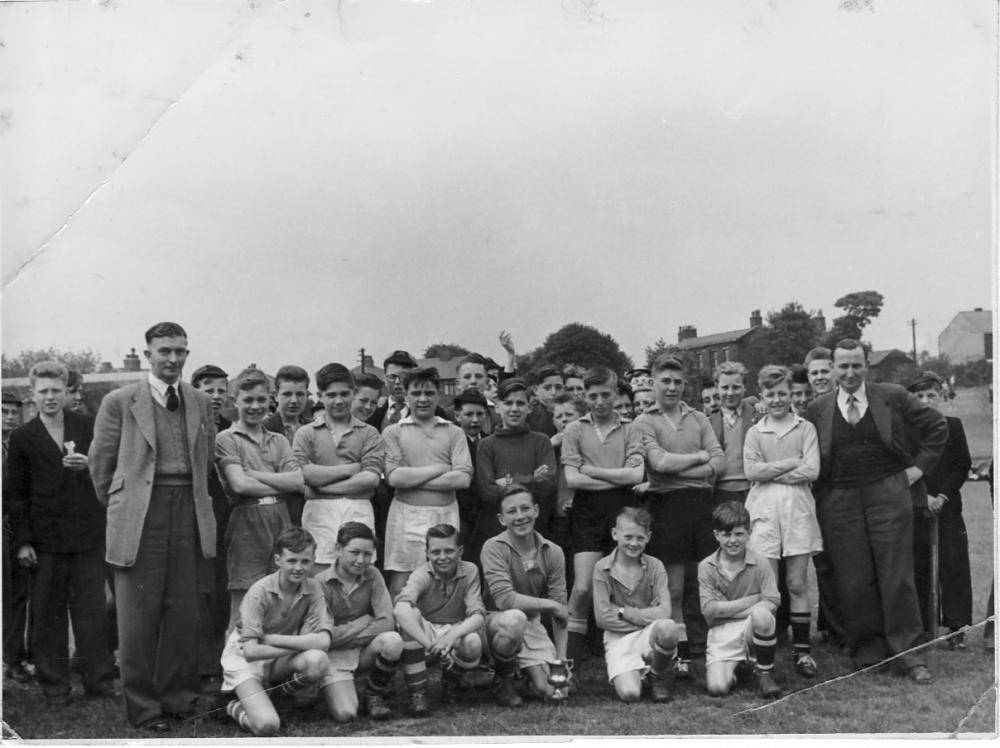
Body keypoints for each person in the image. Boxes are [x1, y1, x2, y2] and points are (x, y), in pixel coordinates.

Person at [89, 321, 217, 731]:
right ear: (148, 355)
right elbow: (101, 467)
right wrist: (126, 508)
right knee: (137, 616)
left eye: (180, 351)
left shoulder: (200, 401)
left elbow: (207, 459)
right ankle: (144, 708)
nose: (173, 359)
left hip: (188, 511)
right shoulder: (120, 401)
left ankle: (178, 699)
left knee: (184, 612)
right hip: (141, 513)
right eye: (164, 351)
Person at [805, 339, 947, 682]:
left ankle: (910, 654)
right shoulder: (817, 409)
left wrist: (917, 470)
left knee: (896, 575)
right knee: (854, 578)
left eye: (857, 365)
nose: (850, 373)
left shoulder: (892, 395)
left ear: (867, 366)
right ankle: (869, 652)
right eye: (843, 366)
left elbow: (937, 428)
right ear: (833, 369)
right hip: (839, 500)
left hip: (888, 493)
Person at [6, 361, 114, 704]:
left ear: (68, 391)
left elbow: (109, 472)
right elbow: (17, 496)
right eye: (43, 391)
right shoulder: (23, 437)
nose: (50, 397)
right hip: (45, 540)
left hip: (87, 537)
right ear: (32, 394)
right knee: (48, 616)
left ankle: (99, 684)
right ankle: (55, 687)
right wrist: (22, 542)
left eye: (57, 390)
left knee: (91, 614)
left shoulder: (88, 426)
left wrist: (89, 466)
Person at [632, 354, 724, 679]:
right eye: (665, 381)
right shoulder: (644, 422)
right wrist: (698, 458)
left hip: (700, 505)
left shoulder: (698, 417)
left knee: (704, 581)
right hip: (666, 506)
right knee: (673, 586)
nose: (672, 387)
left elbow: (719, 460)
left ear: (685, 384)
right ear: (653, 383)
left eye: (677, 381)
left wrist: (688, 464)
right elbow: (658, 464)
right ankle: (676, 652)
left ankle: (704, 648)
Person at [742, 365, 823, 678]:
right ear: (762, 396)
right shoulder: (755, 432)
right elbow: (752, 472)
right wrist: (791, 462)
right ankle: (765, 653)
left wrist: (771, 470)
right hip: (763, 511)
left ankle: (802, 653)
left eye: (782, 394)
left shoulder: (805, 429)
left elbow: (812, 470)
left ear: (791, 394)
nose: (777, 400)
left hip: (798, 510)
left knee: (797, 583)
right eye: (770, 394)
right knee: (768, 586)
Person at [561, 367, 644, 663]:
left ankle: (627, 660)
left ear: (615, 393)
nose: (599, 402)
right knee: (583, 587)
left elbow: (636, 474)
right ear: (584, 396)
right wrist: (617, 477)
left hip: (623, 511)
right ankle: (566, 663)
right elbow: (572, 480)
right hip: (587, 512)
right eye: (593, 396)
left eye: (606, 395)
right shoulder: (574, 429)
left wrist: (592, 470)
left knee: (624, 587)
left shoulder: (631, 428)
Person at [220, 527, 331, 736]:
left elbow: (324, 641)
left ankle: (276, 695)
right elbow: (251, 652)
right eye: (292, 561)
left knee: (318, 661)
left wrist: (274, 639)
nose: (298, 567)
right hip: (246, 659)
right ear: (278, 560)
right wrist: (298, 643)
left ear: (313, 560)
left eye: (305, 561)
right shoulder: (259, 591)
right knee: (267, 725)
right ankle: (229, 706)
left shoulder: (314, 588)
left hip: (274, 652)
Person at [216, 367, 303, 631]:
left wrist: (254, 474)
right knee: (245, 599)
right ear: (235, 401)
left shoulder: (278, 439)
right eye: (248, 400)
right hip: (247, 521)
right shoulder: (227, 438)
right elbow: (240, 485)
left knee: (282, 594)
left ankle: (273, 667)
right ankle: (234, 669)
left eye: (261, 400)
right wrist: (279, 482)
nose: (255, 406)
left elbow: (298, 481)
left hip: (281, 519)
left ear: (270, 400)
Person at [382, 366, 473, 597]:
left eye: (429, 393)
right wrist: (440, 469)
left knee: (444, 580)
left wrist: (413, 478)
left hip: (445, 514)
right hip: (405, 515)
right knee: (401, 583)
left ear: (439, 394)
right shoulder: (393, 432)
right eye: (416, 393)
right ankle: (403, 631)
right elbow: (395, 477)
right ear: (405, 394)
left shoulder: (453, 432)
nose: (423, 399)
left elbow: (462, 478)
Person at [481, 485, 571, 705]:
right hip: (494, 623)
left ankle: (530, 674)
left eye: (525, 508)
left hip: (531, 622)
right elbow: (505, 600)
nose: (520, 517)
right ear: (502, 519)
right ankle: (504, 679)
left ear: (537, 510)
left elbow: (561, 612)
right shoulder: (493, 547)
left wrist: (560, 661)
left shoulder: (553, 551)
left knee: (556, 692)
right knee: (515, 619)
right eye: (512, 512)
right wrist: (550, 605)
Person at [293, 363, 383, 575]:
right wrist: (351, 469)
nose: (339, 401)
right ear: (320, 395)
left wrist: (320, 488)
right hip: (318, 514)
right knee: (317, 575)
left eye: (345, 394)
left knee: (358, 573)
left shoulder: (369, 433)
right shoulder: (306, 433)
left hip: (358, 510)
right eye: (331, 395)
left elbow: (370, 479)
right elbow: (302, 474)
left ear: (353, 392)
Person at [907, 371, 973, 645]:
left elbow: (961, 465)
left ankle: (957, 628)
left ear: (940, 396)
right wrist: (925, 498)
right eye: (919, 396)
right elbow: (907, 467)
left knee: (953, 565)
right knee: (918, 565)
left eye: (930, 395)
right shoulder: (907, 430)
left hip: (947, 507)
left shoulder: (953, 426)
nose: (925, 401)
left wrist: (942, 496)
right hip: (918, 506)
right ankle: (923, 625)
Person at [393, 524, 486, 714]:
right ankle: (417, 693)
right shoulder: (421, 573)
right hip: (428, 632)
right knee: (411, 615)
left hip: (454, 629)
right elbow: (400, 609)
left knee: (473, 642)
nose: (442, 557)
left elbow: (478, 615)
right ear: (427, 553)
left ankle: (451, 681)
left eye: (449, 551)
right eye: (436, 552)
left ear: (460, 550)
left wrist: (451, 637)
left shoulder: (470, 570)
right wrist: (430, 645)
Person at [316, 522, 403, 722]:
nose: (361, 560)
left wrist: (348, 635)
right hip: (333, 657)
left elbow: (386, 622)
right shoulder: (320, 583)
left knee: (392, 640)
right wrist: (363, 621)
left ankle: (373, 695)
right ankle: (326, 687)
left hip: (363, 650)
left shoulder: (373, 574)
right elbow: (325, 637)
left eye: (367, 554)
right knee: (346, 714)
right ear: (338, 549)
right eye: (354, 552)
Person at [592, 507, 679, 703]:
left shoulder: (655, 565)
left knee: (668, 628)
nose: (633, 543)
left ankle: (657, 674)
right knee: (630, 694)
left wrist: (623, 612)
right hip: (618, 637)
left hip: (648, 633)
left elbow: (665, 611)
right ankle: (640, 673)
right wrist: (647, 617)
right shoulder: (602, 568)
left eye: (640, 538)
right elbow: (602, 618)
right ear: (615, 534)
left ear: (648, 537)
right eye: (628, 537)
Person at [699, 501, 782, 699]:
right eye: (726, 535)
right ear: (716, 535)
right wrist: (753, 600)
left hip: (749, 627)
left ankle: (764, 672)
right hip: (721, 632)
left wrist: (727, 610)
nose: (733, 540)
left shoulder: (760, 562)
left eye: (739, 534)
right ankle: (739, 671)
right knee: (717, 688)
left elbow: (772, 601)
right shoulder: (707, 566)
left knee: (762, 614)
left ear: (749, 532)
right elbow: (709, 611)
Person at [475, 378, 557, 546]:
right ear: (497, 407)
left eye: (520, 403)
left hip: (536, 530)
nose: (514, 409)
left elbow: (548, 485)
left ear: (529, 407)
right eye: (508, 403)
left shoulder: (541, 441)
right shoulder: (486, 445)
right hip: (497, 532)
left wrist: (507, 481)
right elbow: (487, 492)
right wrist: (531, 478)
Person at [191, 364, 232, 688]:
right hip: (196, 519)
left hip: (230, 521)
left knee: (223, 593)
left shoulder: (231, 429)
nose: (215, 397)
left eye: (221, 390)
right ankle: (202, 665)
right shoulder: (188, 426)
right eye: (209, 389)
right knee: (200, 592)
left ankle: (220, 659)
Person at [801, 346, 844, 647]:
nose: (819, 377)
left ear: (834, 371)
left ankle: (847, 625)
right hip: (812, 495)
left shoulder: (843, 405)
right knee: (823, 562)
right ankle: (830, 626)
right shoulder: (808, 411)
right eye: (813, 373)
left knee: (846, 562)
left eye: (824, 371)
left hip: (841, 492)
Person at [2, 389, 31, 684]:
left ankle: (14, 658)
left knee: (18, 594)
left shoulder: (19, 443)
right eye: (3, 411)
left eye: (13, 412)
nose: (9, 417)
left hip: (16, 527)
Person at [263, 365, 312, 526]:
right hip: (274, 513)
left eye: (300, 394)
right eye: (287, 394)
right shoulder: (263, 430)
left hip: (309, 512)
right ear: (275, 396)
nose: (294, 400)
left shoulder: (315, 430)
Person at [708, 361, 759, 506]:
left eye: (736, 387)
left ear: (744, 387)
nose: (730, 393)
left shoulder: (757, 414)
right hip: (720, 491)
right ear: (717, 387)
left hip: (752, 489)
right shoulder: (708, 421)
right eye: (725, 387)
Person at [452, 389, 489, 559]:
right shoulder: (450, 443)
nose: (475, 420)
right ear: (457, 416)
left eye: (480, 414)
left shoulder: (491, 441)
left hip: (486, 513)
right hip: (460, 512)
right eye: (469, 414)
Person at [525, 365, 564, 437]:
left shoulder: (573, 412)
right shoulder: (528, 415)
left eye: (558, 387)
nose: (553, 392)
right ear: (536, 390)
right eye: (547, 388)